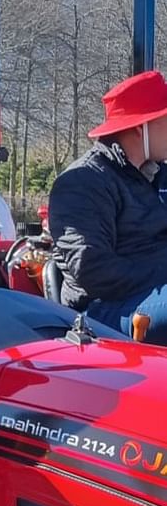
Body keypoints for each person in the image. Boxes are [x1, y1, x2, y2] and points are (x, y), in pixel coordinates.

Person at [48, 70, 167, 341]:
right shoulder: (82, 183)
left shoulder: (158, 175)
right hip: (103, 311)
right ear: (141, 127)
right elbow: (95, 271)